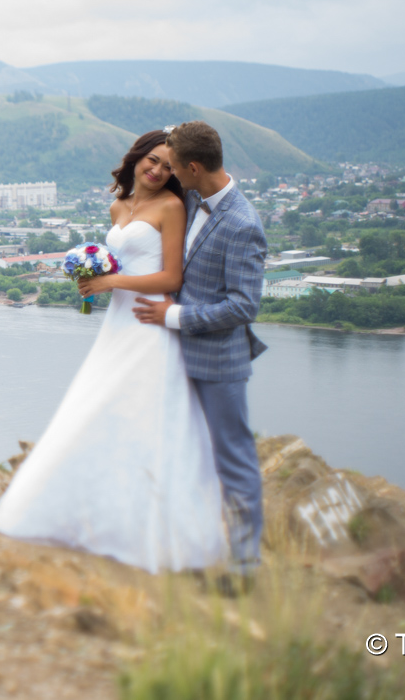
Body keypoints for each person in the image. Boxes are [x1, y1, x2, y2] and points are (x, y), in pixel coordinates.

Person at [0, 129, 228, 573]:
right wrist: (92, 280)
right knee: (100, 407)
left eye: (168, 166)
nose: (157, 171)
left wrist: (110, 281)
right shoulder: (119, 206)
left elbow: (171, 277)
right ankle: (94, 515)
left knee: (140, 411)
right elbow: (119, 260)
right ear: (136, 158)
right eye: (151, 161)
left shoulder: (172, 207)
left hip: (149, 322)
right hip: (116, 323)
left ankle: (147, 531)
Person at [132, 120, 268, 592]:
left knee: (233, 458)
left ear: (193, 167)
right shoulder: (191, 196)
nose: (167, 172)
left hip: (218, 362)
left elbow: (244, 305)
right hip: (170, 357)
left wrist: (174, 317)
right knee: (180, 452)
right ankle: (185, 546)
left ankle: (246, 568)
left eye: (174, 166)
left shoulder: (243, 223)